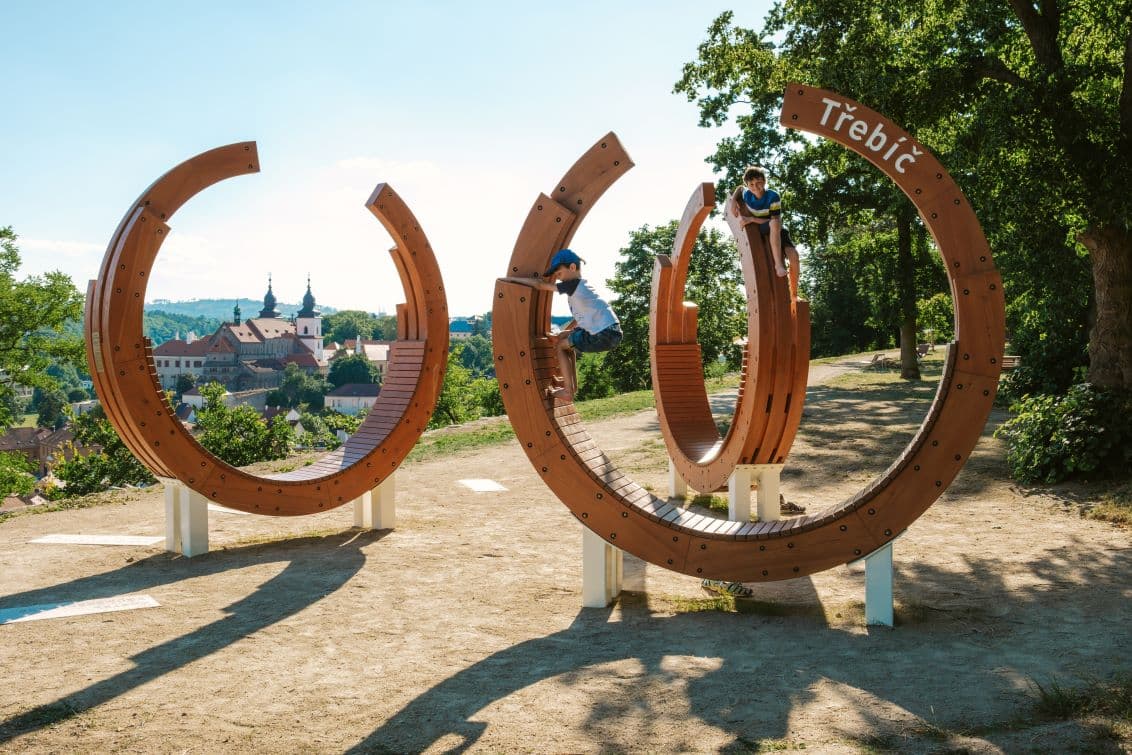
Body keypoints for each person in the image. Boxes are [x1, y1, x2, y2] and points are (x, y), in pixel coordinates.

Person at [542, 248, 622, 403]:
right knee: (565, 341)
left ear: (572, 267)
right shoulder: (583, 289)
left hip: (603, 334)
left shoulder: (573, 285)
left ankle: (568, 391)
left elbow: (540, 286)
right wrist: (561, 334)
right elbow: (579, 321)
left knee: (561, 347)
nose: (558, 278)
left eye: (559, 274)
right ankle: (571, 386)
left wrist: (514, 281)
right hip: (612, 331)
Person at [729, 166, 797, 278]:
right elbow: (740, 189)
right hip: (762, 228)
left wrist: (751, 219)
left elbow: (774, 221)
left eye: (759, 183)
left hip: (775, 228)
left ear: (764, 181)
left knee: (794, 256)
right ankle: (778, 265)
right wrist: (733, 201)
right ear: (748, 185)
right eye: (751, 184)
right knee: (774, 224)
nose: (755, 187)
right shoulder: (747, 195)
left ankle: (794, 289)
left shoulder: (773, 197)